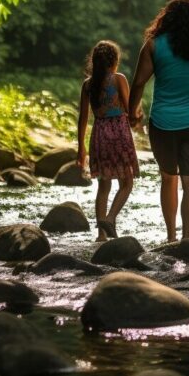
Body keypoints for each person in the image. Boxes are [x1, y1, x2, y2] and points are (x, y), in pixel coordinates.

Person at [129, 0, 189, 242]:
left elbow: (139, 82)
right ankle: (188, 240)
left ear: (167, 16)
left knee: (168, 178)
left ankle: (171, 236)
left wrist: (133, 112)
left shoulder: (153, 45)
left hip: (163, 123)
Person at [76, 40, 139, 241]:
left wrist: (81, 149)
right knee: (126, 183)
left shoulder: (88, 85)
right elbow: (130, 112)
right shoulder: (119, 79)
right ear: (114, 61)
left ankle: (101, 235)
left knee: (103, 187)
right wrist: (139, 117)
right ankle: (110, 218)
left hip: (100, 134)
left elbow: (83, 120)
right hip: (119, 132)